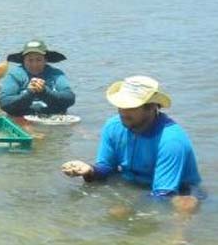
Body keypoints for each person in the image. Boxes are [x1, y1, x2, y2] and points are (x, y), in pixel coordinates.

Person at [62, 76, 202, 214]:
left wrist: (131, 207)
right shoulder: (113, 126)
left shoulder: (171, 140)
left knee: (185, 204)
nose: (122, 112)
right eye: (120, 105)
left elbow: (164, 194)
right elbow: (106, 168)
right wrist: (90, 170)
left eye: (130, 107)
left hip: (178, 190)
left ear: (152, 107)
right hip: (134, 182)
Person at [0, 40, 75, 117]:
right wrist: (29, 93)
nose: (34, 64)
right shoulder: (15, 75)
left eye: (39, 60)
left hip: (53, 118)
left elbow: (70, 98)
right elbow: (4, 103)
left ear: (45, 60)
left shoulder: (56, 74)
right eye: (30, 60)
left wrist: (44, 92)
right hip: (23, 118)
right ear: (23, 61)